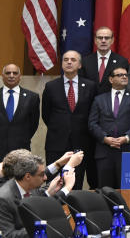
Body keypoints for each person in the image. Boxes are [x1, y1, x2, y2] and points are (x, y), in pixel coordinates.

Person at [41, 50, 96, 189]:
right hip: (56, 143)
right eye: (66, 59)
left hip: (81, 142)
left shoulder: (90, 86)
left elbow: (93, 113)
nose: (69, 62)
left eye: (73, 60)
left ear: (79, 65)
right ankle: (55, 211)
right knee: (54, 183)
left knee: (76, 184)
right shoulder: (51, 86)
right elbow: (46, 114)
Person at [0, 152, 74, 238]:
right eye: (41, 175)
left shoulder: (31, 189)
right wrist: (41, 227)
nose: (45, 178)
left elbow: (42, 206)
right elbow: (7, 235)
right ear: (28, 177)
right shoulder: (3, 199)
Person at [0, 64, 39, 187]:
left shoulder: (32, 97)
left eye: (15, 73)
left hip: (20, 153)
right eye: (8, 73)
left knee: (19, 189)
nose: (11, 76)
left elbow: (33, 124)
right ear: (2, 76)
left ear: (20, 76)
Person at [89, 66, 130, 188]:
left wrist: (127, 137)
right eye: (120, 75)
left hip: (128, 151)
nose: (124, 77)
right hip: (104, 151)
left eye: (125, 75)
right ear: (111, 79)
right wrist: (104, 138)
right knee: (106, 190)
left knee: (128, 191)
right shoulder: (99, 99)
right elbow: (92, 123)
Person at [81, 27, 130, 94]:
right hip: (89, 102)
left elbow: (124, 85)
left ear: (112, 40)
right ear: (95, 40)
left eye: (107, 38)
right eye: (100, 38)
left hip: (111, 102)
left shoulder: (121, 62)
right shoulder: (85, 61)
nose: (103, 41)